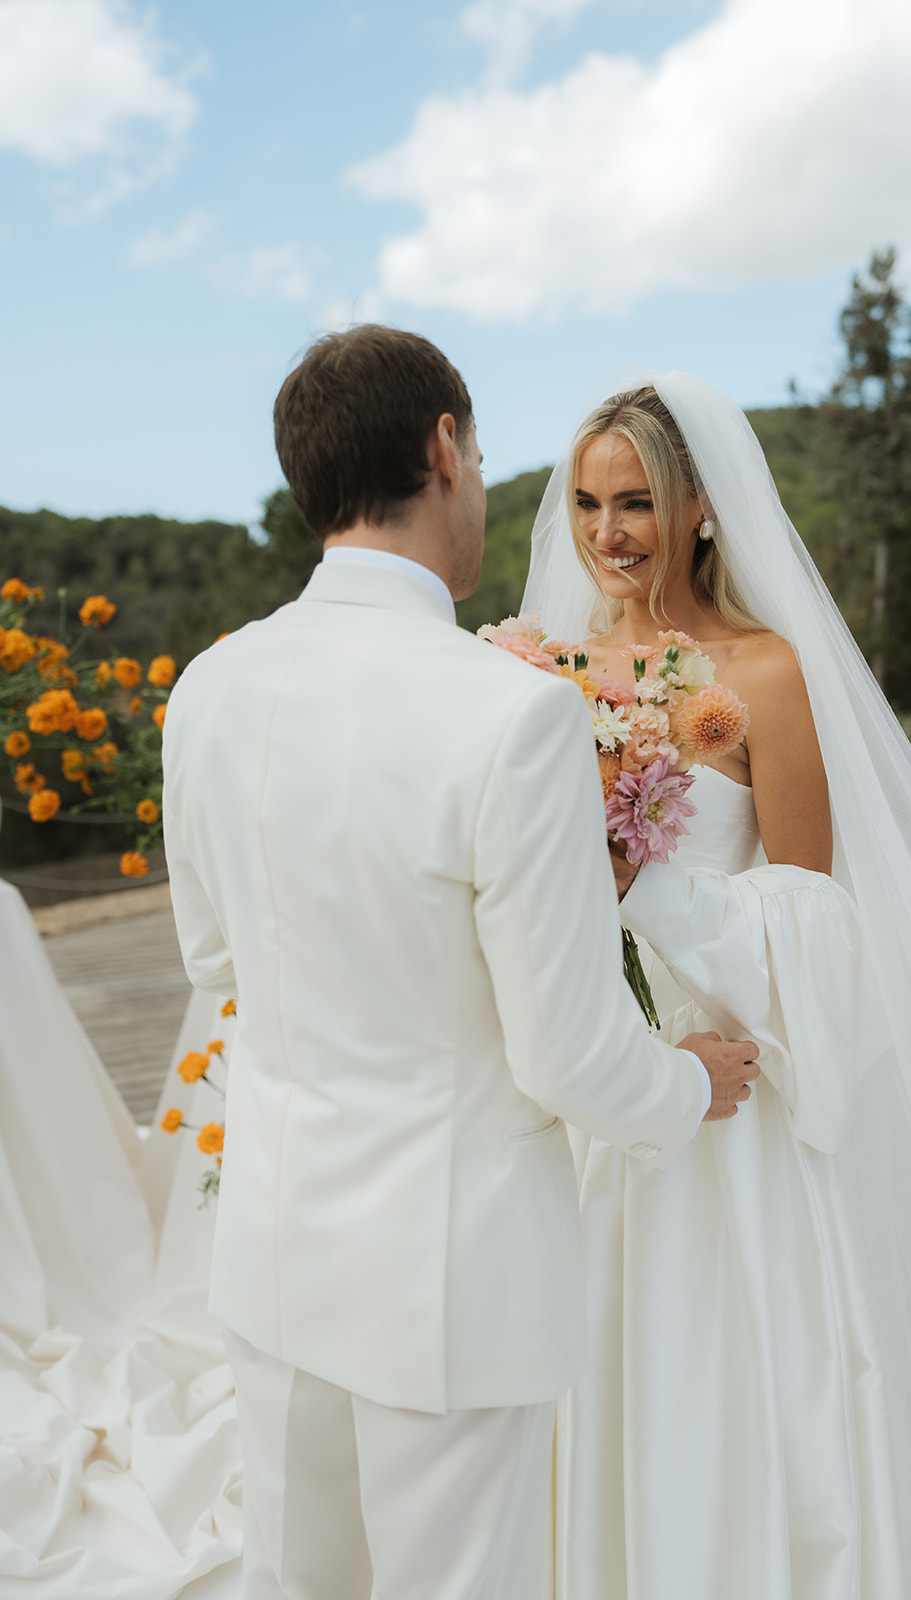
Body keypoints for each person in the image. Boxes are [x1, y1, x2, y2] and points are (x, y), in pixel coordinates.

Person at [161, 328, 758, 1600]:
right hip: (447, 1283)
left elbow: (214, 961)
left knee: (292, 1580)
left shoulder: (207, 688)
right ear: (443, 448)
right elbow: (566, 1053)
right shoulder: (510, 712)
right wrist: (690, 1084)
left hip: (270, 1248)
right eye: (480, 452)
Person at [521, 372, 911, 1598]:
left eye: (637, 503)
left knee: (728, 1375)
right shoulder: (545, 675)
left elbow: (812, 920)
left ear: (702, 508)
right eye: (586, 502)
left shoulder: (762, 673)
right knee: (599, 1367)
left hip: (729, 1101)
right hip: (591, 1084)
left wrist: (638, 878)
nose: (606, 535)